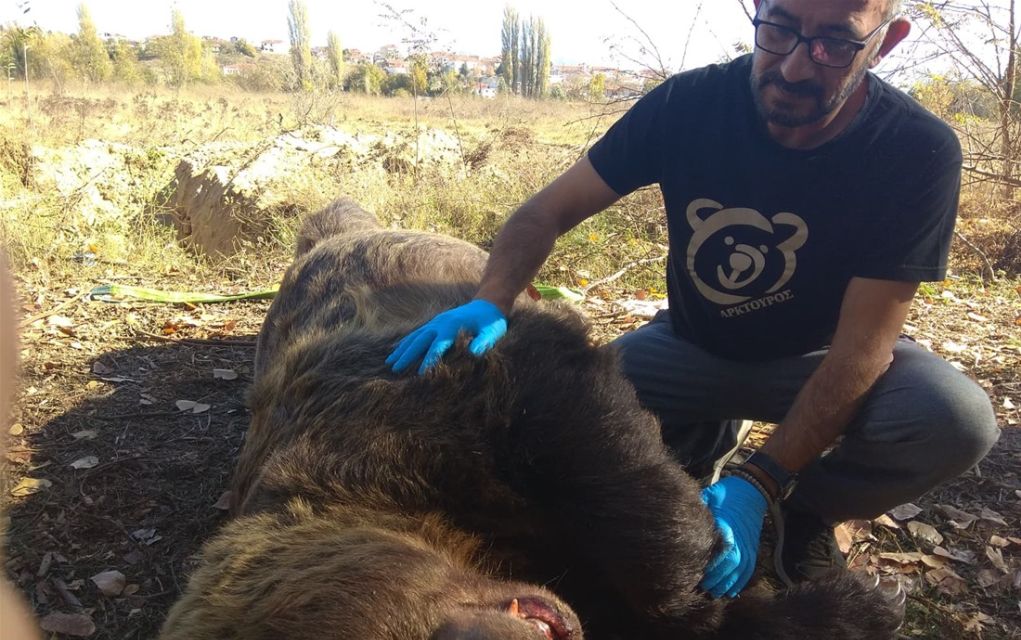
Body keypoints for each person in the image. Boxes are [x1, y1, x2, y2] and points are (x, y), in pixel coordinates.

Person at [387, 0, 999, 599]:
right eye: (779, 28)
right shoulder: (689, 104)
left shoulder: (914, 149)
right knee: (550, 417)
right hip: (689, 345)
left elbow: (862, 353)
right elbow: (545, 211)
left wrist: (760, 482)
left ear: (885, 42)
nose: (793, 67)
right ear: (757, 11)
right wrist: (492, 300)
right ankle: (699, 440)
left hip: (821, 357)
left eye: (835, 44)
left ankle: (803, 515)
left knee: (954, 420)